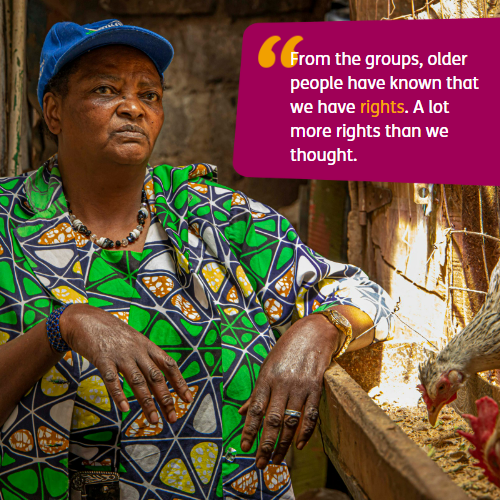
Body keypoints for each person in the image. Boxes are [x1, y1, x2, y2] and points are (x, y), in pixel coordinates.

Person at [0, 19, 394, 500]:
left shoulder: (214, 215)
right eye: (106, 89)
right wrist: (62, 327)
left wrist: (317, 329)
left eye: (149, 95)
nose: (133, 107)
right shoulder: (8, 228)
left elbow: (365, 294)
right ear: (54, 111)